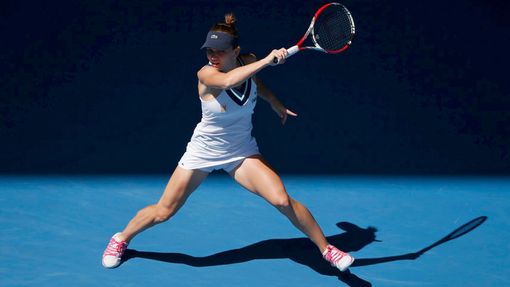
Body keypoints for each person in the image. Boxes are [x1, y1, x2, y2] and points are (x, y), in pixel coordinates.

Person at [102, 13, 354, 272]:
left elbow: (255, 82)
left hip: (241, 151)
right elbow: (230, 81)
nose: (213, 56)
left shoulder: (249, 63)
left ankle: (327, 249)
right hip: (203, 151)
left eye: (220, 51)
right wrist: (268, 60)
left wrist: (274, 102)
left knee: (281, 200)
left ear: (236, 51)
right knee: (164, 212)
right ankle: (120, 238)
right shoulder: (206, 75)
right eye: (210, 50)